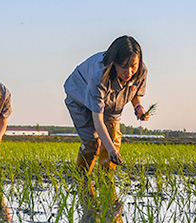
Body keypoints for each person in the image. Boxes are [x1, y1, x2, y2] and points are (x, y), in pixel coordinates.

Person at [64, 35, 150, 173]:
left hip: (112, 105)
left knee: (114, 139)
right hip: (80, 97)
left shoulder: (141, 70)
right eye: (123, 67)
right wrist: (110, 149)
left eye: (133, 67)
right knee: (92, 143)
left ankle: (106, 179)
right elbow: (98, 118)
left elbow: (134, 92)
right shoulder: (99, 74)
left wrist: (138, 107)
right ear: (114, 62)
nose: (129, 72)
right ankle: (82, 181)